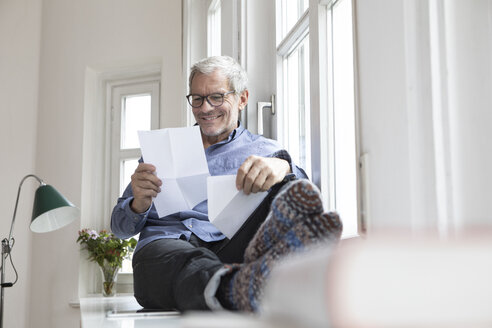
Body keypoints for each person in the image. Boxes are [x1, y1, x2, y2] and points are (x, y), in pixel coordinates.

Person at [111, 55, 342, 312]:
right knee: (170, 261)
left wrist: (284, 167)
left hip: (234, 244)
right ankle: (237, 284)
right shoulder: (161, 151)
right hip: (167, 248)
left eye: (216, 97)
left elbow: (301, 192)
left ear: (242, 99)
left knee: (286, 181)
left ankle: (263, 268)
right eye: (197, 98)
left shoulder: (265, 149)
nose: (205, 108)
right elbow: (119, 229)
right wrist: (138, 204)